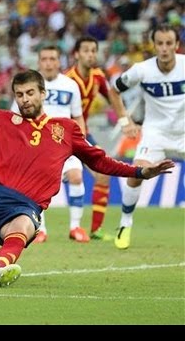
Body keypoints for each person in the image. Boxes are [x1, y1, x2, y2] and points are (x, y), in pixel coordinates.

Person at [0, 30, 174, 288]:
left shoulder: (65, 130)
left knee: (22, 227)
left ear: (43, 93)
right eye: (19, 95)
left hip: (24, 206)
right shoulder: (1, 120)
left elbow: (99, 161)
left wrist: (139, 173)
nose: (25, 99)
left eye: (30, 93)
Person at [110, 23, 185, 250]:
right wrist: (125, 121)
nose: (164, 48)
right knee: (137, 173)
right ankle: (125, 222)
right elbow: (114, 90)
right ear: (154, 46)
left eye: (168, 43)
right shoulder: (141, 70)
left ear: (177, 45)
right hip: (155, 132)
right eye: (159, 44)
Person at [11, 45, 89, 243]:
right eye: (44, 59)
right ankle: (40, 229)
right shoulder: (28, 85)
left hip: (65, 143)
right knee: (37, 187)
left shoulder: (71, 85)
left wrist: (81, 141)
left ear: (59, 61)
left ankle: (75, 227)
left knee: (76, 176)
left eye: (53, 58)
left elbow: (78, 116)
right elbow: (15, 117)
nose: (48, 63)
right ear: (39, 62)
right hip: (38, 146)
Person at [64, 36, 138, 240]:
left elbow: (113, 97)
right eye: (86, 50)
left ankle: (95, 230)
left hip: (82, 134)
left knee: (103, 174)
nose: (91, 54)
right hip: (60, 135)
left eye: (93, 50)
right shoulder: (66, 79)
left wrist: (124, 122)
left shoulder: (97, 76)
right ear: (77, 54)